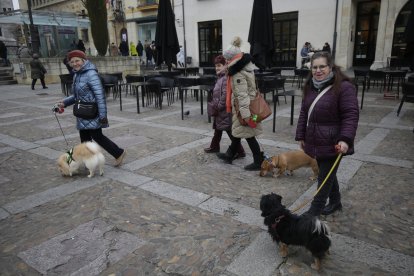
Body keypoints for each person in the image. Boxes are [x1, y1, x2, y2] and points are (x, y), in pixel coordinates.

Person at [295, 51, 359, 217]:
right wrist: (301, 135)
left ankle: (313, 213)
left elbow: (350, 114)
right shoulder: (310, 86)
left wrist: (345, 139)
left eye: (322, 66)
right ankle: (336, 202)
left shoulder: (344, 87)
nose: (318, 70)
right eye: (314, 67)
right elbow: (304, 112)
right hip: (315, 140)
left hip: (334, 142)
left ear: (330, 67)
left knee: (323, 178)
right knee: (327, 172)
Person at [56, 50, 127, 167]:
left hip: (92, 112)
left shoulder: (91, 74)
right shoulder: (77, 75)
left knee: (97, 136)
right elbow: (76, 96)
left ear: (84, 61)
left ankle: (119, 152)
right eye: (72, 62)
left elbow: (100, 96)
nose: (75, 64)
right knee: (84, 139)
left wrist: (103, 116)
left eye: (77, 60)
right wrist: (64, 103)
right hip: (82, 112)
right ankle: (90, 161)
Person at [216, 37, 264, 171]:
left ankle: (258, 160)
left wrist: (247, 117)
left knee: (249, 134)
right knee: (238, 132)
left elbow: (242, 95)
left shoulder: (238, 73)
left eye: (226, 59)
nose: (225, 62)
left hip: (245, 110)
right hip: (250, 108)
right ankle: (230, 154)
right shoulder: (246, 67)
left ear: (231, 59)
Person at [205, 55, 245, 159]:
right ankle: (214, 146)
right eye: (216, 66)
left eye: (219, 65)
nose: (217, 68)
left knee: (229, 131)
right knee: (217, 130)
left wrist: (218, 106)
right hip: (219, 110)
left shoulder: (224, 78)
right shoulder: (220, 78)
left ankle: (240, 151)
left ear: (225, 66)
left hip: (223, 110)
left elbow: (225, 94)